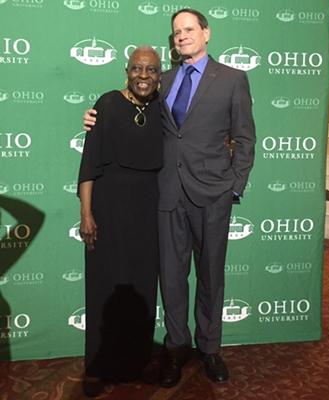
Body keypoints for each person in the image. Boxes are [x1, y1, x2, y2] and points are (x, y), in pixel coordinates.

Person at [84, 9, 255, 388]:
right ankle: (176, 350)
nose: (181, 36)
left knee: (211, 276)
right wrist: (96, 117)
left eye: (189, 29)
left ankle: (210, 349)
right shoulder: (163, 80)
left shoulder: (232, 79)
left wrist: (234, 186)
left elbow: (245, 138)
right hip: (168, 196)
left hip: (213, 196)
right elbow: (134, 109)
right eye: (176, 32)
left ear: (206, 33)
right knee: (173, 280)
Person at [78, 46, 163, 397]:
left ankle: (136, 362)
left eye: (151, 70)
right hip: (109, 208)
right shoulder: (108, 104)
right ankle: (98, 367)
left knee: (142, 287)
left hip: (150, 210)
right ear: (126, 71)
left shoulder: (166, 109)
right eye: (137, 69)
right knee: (104, 286)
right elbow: (88, 165)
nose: (143, 75)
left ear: (160, 75)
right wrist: (86, 213)